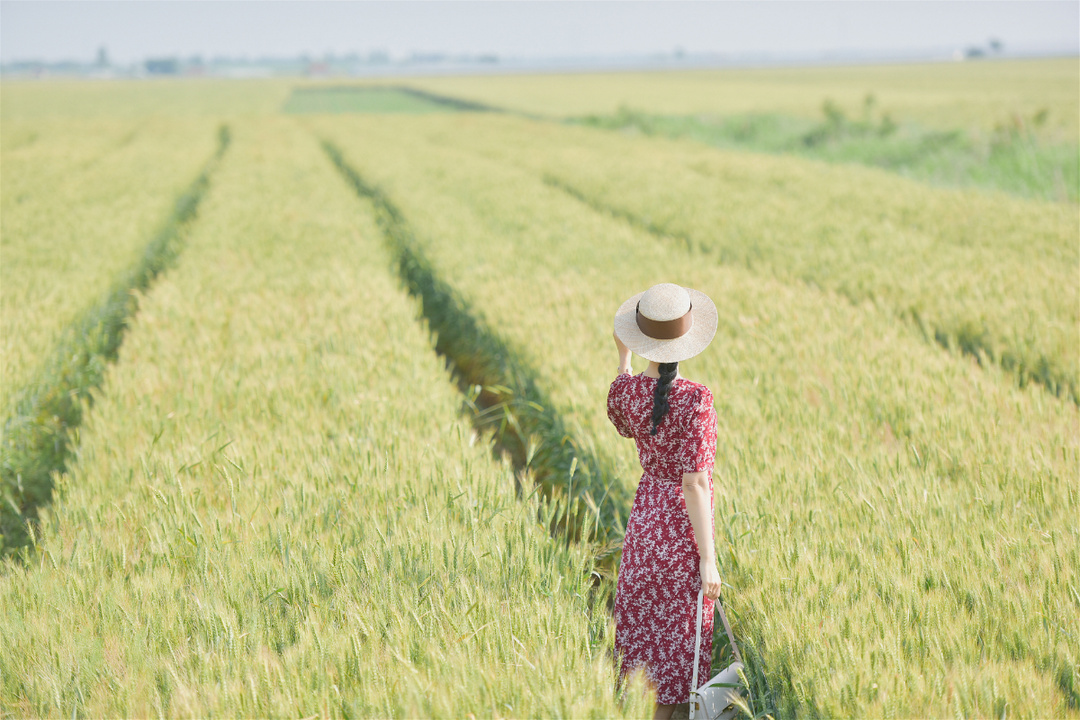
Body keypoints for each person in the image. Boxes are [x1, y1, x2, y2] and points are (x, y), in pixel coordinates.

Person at [607, 282, 722, 720]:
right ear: (687, 340)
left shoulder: (627, 393)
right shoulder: (696, 401)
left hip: (644, 527)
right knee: (680, 654)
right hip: (681, 533)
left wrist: (623, 357)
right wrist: (708, 558)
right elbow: (695, 483)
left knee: (648, 655)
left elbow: (622, 394)